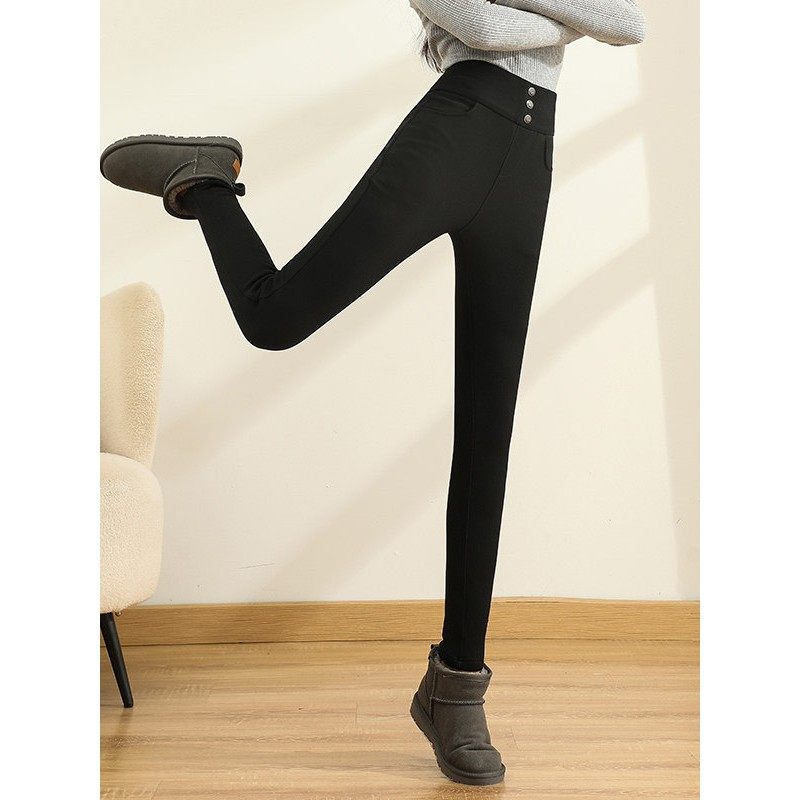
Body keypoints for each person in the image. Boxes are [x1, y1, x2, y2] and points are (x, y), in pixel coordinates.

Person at [100, 0, 646, 786]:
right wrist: (571, 21)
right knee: (275, 317)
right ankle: (207, 183)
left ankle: (457, 690)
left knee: (488, 431)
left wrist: (567, 17)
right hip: (458, 128)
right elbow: (486, 31)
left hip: (530, 151)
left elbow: (628, 20)